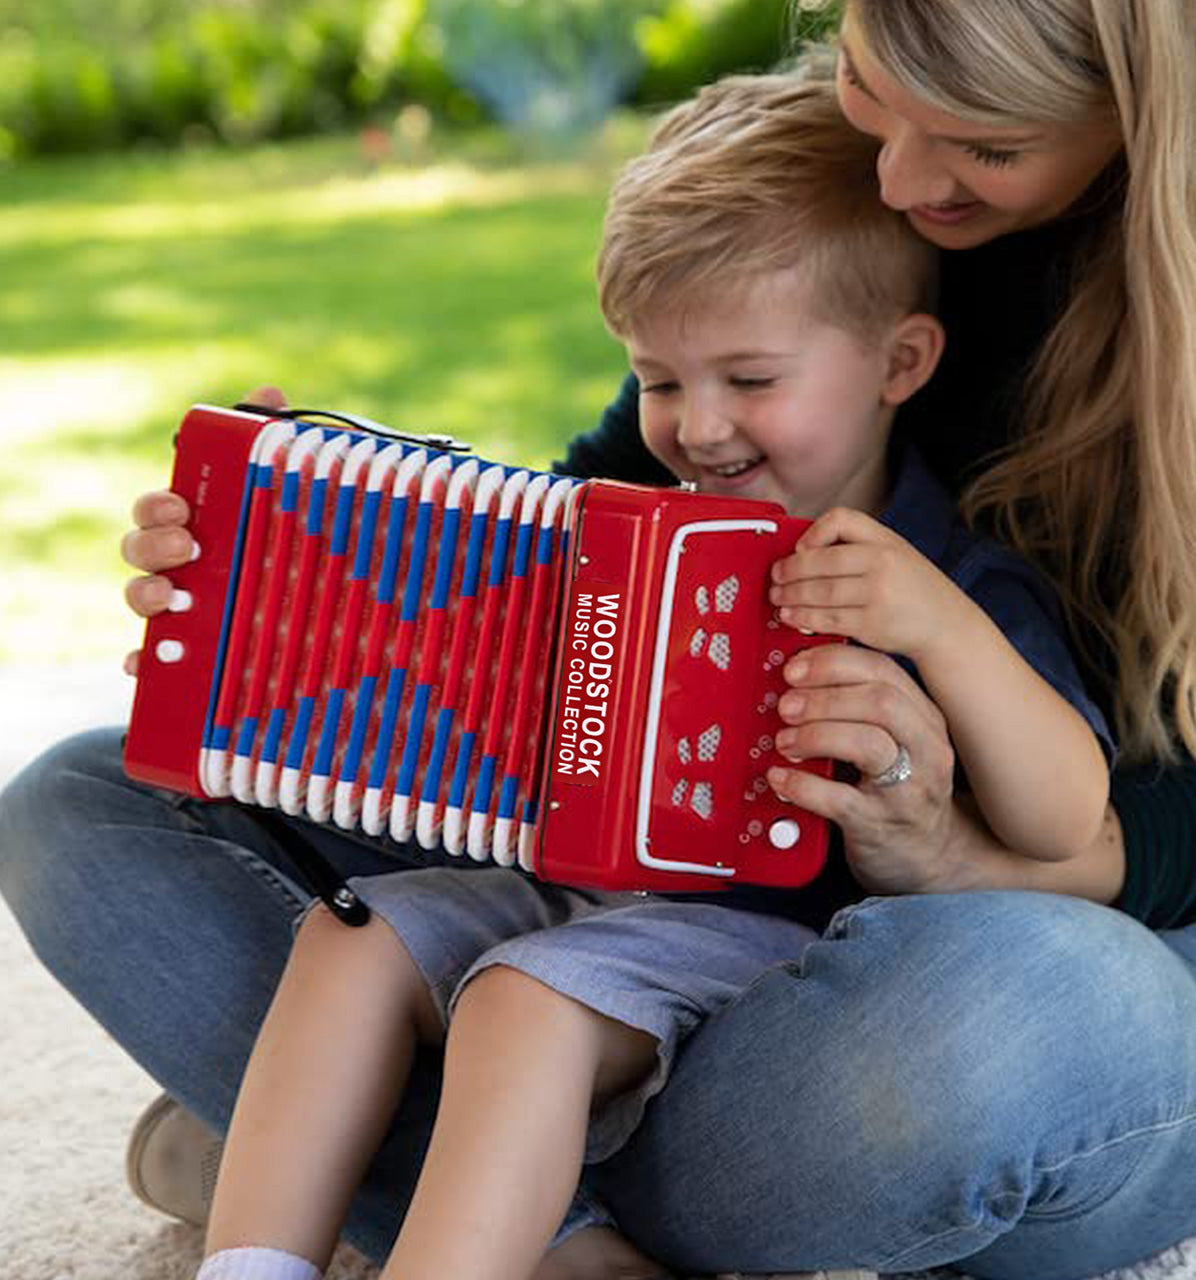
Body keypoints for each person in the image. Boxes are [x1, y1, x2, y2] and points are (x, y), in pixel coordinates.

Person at [3, 2, 1196, 1277]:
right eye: (866, 85)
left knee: (969, 1030)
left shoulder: (950, 563)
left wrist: (941, 834)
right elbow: (549, 559)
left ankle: (379, 1162)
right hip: (602, 887)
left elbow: (1134, 814)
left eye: (978, 146)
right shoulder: (820, 220)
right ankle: (522, 1227)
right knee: (79, 805)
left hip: (977, 948)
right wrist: (284, 571)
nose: (894, 178)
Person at [180, 64, 1113, 1280]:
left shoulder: (949, 576)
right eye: (659, 380)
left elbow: (1063, 823)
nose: (699, 426)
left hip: (781, 948)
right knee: (350, 935)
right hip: (577, 888)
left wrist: (941, 632)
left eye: (751, 379)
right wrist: (283, 536)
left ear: (901, 361)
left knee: (522, 996)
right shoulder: (620, 535)